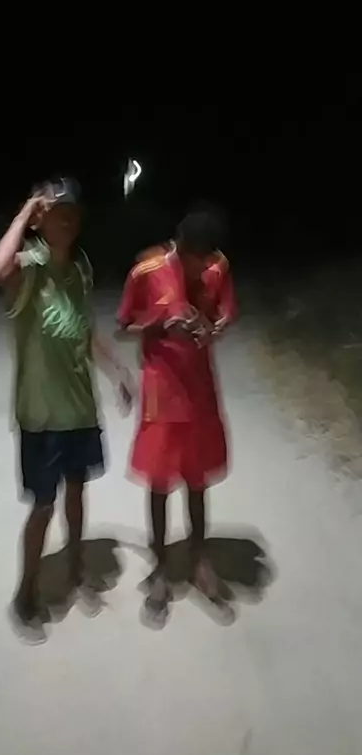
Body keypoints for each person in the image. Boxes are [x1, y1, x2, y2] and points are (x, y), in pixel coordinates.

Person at [0, 177, 130, 639]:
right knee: (43, 505)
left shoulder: (80, 267)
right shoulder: (29, 266)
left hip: (80, 410)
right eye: (56, 212)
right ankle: (25, 589)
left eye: (73, 213)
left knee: (77, 491)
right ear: (41, 220)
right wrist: (27, 209)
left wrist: (116, 370)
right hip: (41, 416)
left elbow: (84, 330)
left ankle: (76, 564)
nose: (66, 220)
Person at [117, 203, 236, 620]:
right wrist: (158, 325)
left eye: (206, 258)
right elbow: (123, 326)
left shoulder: (218, 266)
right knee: (160, 479)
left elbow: (225, 314)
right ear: (179, 245)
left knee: (198, 480)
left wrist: (213, 329)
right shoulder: (147, 270)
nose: (201, 266)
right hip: (161, 391)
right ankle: (161, 568)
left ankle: (200, 563)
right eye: (193, 257)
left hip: (200, 389)